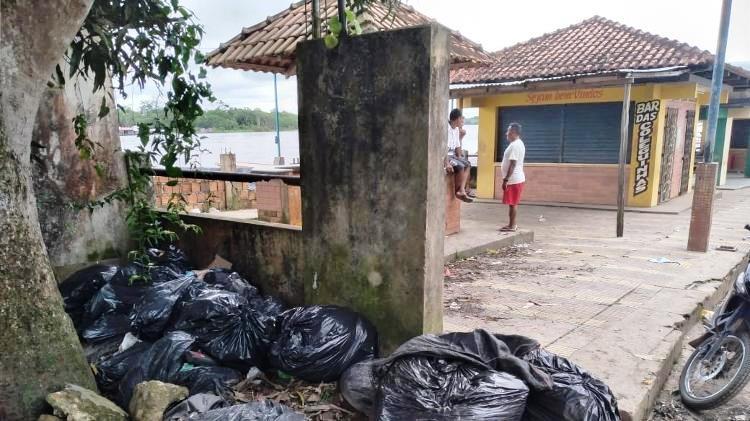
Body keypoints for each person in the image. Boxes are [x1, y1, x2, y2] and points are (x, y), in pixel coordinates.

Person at [500, 122, 525, 231]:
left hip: (514, 180)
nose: (506, 133)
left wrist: (506, 179)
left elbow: (513, 164)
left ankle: (512, 225)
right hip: (514, 179)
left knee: (513, 204)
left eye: (509, 131)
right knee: (512, 203)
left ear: (514, 133)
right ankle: (511, 225)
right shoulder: (517, 143)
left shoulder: (515, 145)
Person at [446, 108, 473, 203]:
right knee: (460, 167)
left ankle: (462, 190)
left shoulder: (456, 129)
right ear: (457, 119)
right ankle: (458, 191)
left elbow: (457, 146)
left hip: (453, 154)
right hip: (446, 155)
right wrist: (447, 163)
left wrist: (460, 157)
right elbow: (443, 147)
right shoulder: (446, 129)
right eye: (461, 118)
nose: (462, 121)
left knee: (468, 164)